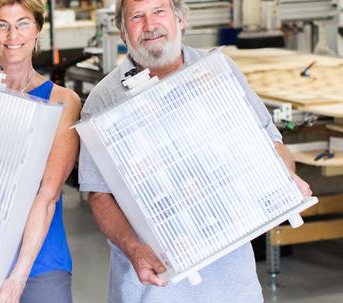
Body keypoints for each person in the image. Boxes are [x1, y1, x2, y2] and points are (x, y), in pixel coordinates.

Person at [78, 0, 312, 302]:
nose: (150, 26)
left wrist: (285, 176)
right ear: (123, 33)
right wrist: (134, 250)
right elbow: (99, 194)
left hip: (232, 281)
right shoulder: (104, 99)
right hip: (155, 286)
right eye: (137, 17)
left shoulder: (215, 70)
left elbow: (269, 142)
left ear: (180, 20)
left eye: (159, 11)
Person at [0, 0, 81, 302]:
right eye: (2, 24)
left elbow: (48, 194)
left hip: (38, 260)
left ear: (37, 30)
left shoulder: (62, 101)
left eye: (23, 23)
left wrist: (17, 276)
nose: (13, 35)